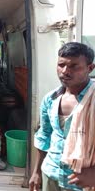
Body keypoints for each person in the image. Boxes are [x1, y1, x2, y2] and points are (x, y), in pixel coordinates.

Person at [29, 42, 95, 191]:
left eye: (74, 66)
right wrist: (37, 172)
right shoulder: (50, 99)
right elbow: (44, 136)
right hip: (51, 174)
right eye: (61, 65)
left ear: (90, 68)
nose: (65, 71)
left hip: (84, 181)